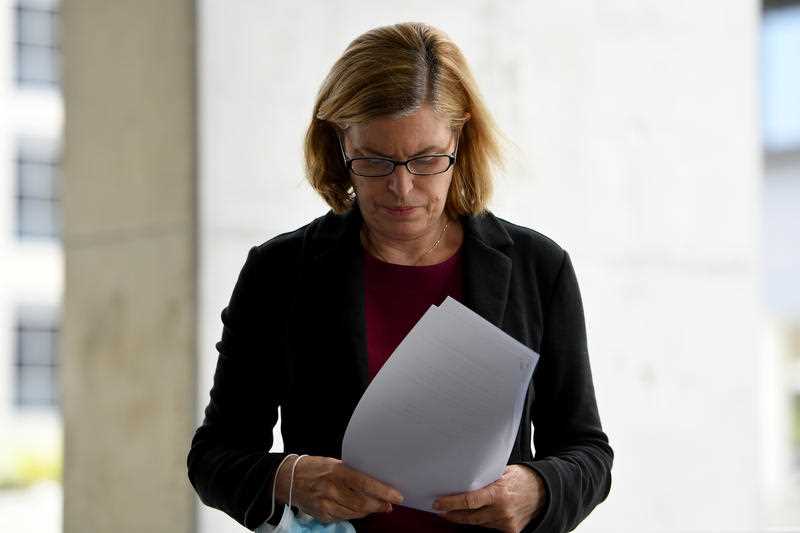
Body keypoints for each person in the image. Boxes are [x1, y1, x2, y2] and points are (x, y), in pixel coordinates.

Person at [187, 21, 613, 533]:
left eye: (427, 159)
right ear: (340, 145)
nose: (401, 187)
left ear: (461, 139)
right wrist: (292, 477)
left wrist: (538, 489)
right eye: (374, 160)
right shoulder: (281, 271)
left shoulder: (538, 267)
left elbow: (588, 452)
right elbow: (213, 457)